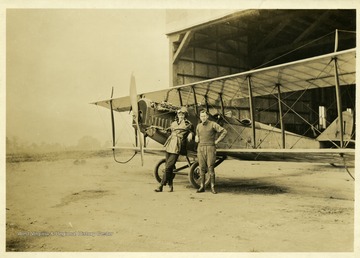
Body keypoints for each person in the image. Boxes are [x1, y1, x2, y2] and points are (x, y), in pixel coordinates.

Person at [154, 107, 193, 192]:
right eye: (179, 114)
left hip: (177, 146)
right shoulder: (174, 123)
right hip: (170, 144)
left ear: (185, 115)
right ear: (177, 115)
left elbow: (192, 131)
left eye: (182, 114)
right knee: (169, 167)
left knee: (168, 167)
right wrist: (156, 129)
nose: (181, 116)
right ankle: (171, 186)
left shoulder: (187, 124)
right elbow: (167, 131)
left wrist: (191, 134)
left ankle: (161, 186)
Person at [195, 110, 227, 194]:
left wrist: (217, 141)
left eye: (204, 116)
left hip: (210, 148)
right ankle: (202, 186)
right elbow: (197, 135)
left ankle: (213, 187)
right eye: (201, 116)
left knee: (210, 167)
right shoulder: (198, 126)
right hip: (200, 148)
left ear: (207, 116)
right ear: (200, 117)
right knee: (201, 167)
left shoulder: (213, 124)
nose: (203, 118)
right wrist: (196, 137)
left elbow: (224, 131)